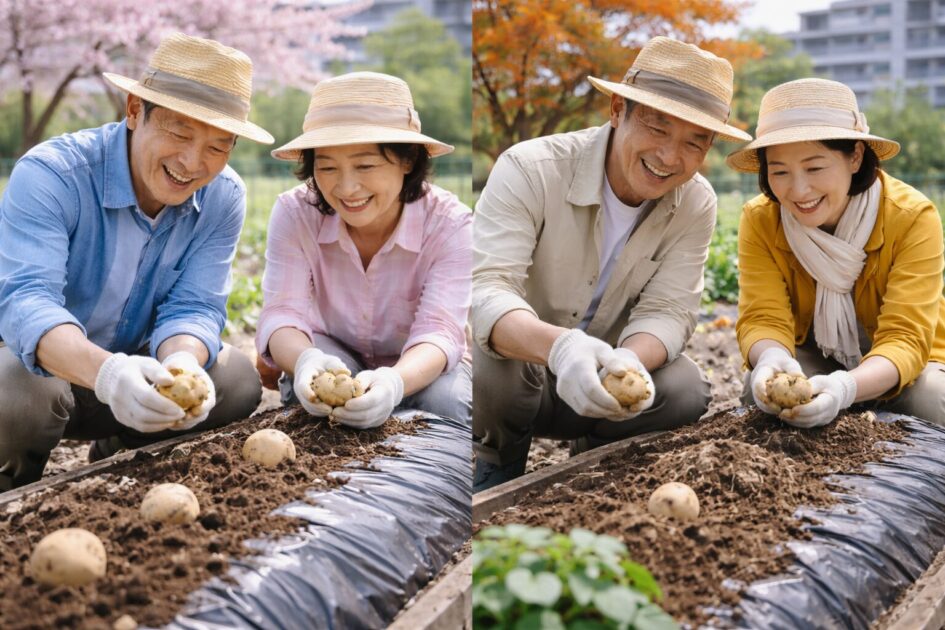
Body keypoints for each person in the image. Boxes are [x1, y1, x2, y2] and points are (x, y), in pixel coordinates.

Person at [472, 36, 753, 492]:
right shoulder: (530, 168)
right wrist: (562, 348)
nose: (670, 157)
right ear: (618, 109)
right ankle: (498, 461)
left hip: (607, 377)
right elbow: (487, 289)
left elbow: (669, 310)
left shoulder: (695, 203)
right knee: (489, 360)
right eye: (657, 128)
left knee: (684, 388)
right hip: (526, 370)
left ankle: (594, 458)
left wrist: (627, 361)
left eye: (694, 142)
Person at [0, 33, 275, 490]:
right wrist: (109, 374)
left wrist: (182, 364)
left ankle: (122, 452)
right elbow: (27, 303)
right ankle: (13, 493)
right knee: (16, 390)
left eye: (218, 146)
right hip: (45, 372)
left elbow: (194, 306)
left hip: (140, 374)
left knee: (237, 381)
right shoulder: (52, 175)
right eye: (179, 133)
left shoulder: (223, 196)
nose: (192, 162)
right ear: (133, 110)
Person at [254, 72, 472, 429]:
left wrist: (394, 382)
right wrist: (306, 361)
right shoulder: (295, 213)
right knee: (307, 389)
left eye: (365, 165)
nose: (347, 187)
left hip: (418, 359)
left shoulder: (450, 223)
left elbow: (439, 331)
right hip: (334, 346)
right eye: (327, 167)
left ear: (408, 160)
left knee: (447, 403)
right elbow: (282, 314)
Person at [727, 78, 945, 427]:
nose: (799, 190)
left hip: (903, 367)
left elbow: (905, 337)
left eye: (815, 168)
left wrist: (846, 387)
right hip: (817, 360)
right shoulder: (761, 219)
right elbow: (763, 316)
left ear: (855, 156)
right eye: (779, 171)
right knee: (762, 394)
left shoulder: (911, 217)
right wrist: (770, 358)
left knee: (932, 400)